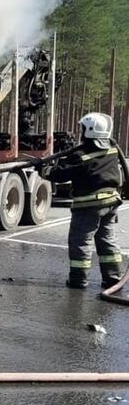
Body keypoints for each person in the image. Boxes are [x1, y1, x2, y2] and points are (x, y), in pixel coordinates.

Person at [40, 112, 124, 289]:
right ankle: (113, 278)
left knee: (81, 241)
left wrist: (43, 170)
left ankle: (78, 280)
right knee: (108, 240)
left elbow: (60, 174)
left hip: (89, 205)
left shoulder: (81, 155)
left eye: (83, 129)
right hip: (110, 203)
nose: (81, 132)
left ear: (89, 131)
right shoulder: (112, 148)